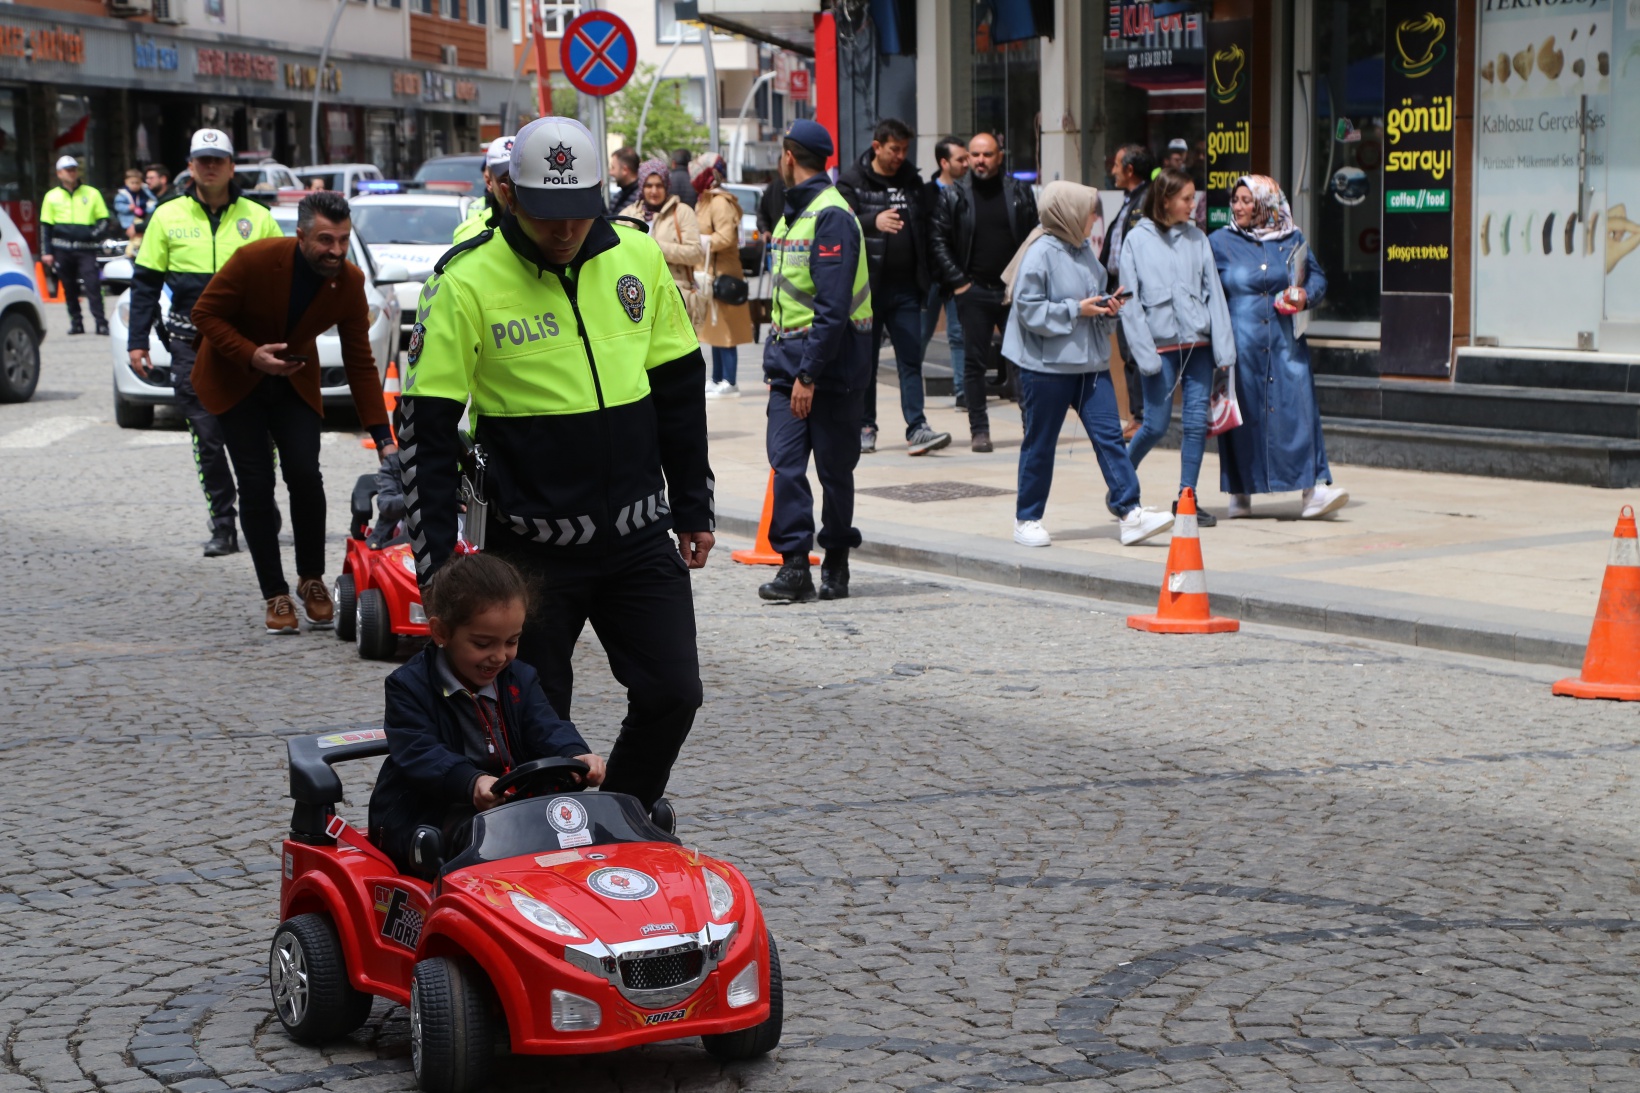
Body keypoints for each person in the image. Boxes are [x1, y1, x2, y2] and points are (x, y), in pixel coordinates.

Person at [398, 115, 713, 825]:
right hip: (529, 552)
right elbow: (424, 432)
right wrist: (437, 569)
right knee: (534, 719)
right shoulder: (465, 279)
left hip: (638, 534)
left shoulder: (637, 254)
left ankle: (622, 813)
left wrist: (693, 503)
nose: (565, 229)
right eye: (546, 213)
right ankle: (540, 843)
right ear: (509, 195)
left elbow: (678, 387)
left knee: (674, 692)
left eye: (579, 210)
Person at [189, 191, 393, 632]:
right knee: (256, 482)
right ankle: (275, 593)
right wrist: (251, 354)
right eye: (325, 240)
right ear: (301, 236)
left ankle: (311, 579)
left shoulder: (349, 281)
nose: (336, 250)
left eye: (343, 240)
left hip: (294, 379)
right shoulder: (255, 259)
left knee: (304, 474)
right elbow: (204, 314)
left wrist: (383, 437)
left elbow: (360, 362)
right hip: (235, 378)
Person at [367, 552, 607, 874]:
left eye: (512, 641)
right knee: (488, 839)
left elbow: (546, 726)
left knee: (582, 826)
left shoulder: (520, 678)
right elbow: (420, 752)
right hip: (430, 812)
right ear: (441, 632)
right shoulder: (408, 686)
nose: (499, 657)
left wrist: (575, 753)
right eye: (483, 644)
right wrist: (471, 781)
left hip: (510, 803)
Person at [129, 128, 282, 557]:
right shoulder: (166, 216)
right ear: (190, 166)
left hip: (249, 348)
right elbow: (145, 284)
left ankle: (260, 510)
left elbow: (280, 281)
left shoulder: (259, 216)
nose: (210, 167)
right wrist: (137, 341)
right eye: (203, 160)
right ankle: (223, 524)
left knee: (258, 438)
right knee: (208, 437)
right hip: (190, 346)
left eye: (218, 160)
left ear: (232, 167)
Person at [1001, 182, 1175, 549]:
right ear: (1067, 213)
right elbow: (1028, 309)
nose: (1095, 217)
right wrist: (1076, 309)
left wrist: (1108, 309)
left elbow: (1090, 304)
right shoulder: (1040, 252)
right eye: (1089, 211)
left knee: (1109, 437)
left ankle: (1130, 512)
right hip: (1046, 367)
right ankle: (1027, 518)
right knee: (1041, 443)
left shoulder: (1082, 250)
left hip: (1090, 364)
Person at [758, 120, 872, 603]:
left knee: (833, 472)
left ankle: (837, 560)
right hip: (789, 367)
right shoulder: (793, 214)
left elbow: (832, 307)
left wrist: (809, 374)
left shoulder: (832, 215)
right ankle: (794, 567)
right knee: (786, 466)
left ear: (788, 157)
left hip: (831, 369)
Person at [1211, 174, 1346, 520]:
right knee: (1245, 418)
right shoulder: (1219, 242)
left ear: (1266, 204)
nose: (1238, 207)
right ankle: (1240, 491)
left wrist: (1304, 295)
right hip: (1241, 346)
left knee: (1298, 410)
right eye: (1235, 200)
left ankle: (1313, 491)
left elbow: (1316, 277)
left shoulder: (1291, 237)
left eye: (1247, 200)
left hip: (1286, 343)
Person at [1120, 167, 1236, 526]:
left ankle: (1187, 497)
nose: (1193, 204)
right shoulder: (1136, 240)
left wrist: (1224, 350)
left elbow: (1215, 293)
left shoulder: (1198, 238)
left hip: (1199, 345)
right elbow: (1129, 302)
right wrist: (1144, 354)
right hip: (1159, 349)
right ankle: (1120, 484)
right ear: (1166, 199)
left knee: (1196, 424)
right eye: (1186, 198)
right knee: (1154, 425)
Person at [837, 118, 949, 458]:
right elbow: (838, 223)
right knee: (866, 362)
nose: (900, 156)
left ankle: (917, 427)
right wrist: (873, 221)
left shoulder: (912, 181)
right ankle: (864, 426)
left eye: (904, 150)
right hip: (867, 291)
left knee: (910, 359)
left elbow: (925, 228)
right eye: (894, 149)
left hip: (906, 290)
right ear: (877, 146)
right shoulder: (852, 181)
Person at [929, 131, 1038, 453]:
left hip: (1013, 291)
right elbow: (938, 240)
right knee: (974, 364)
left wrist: (1027, 281)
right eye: (974, 155)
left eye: (987, 154)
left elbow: (1035, 236)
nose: (979, 160)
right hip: (974, 290)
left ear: (999, 157)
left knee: (1023, 362)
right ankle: (979, 430)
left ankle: (1031, 427)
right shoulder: (954, 194)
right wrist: (960, 283)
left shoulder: (1019, 192)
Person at [1100, 144, 1157, 438]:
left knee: (1135, 353)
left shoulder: (1147, 200)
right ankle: (1138, 416)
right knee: (1127, 353)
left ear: (1130, 170)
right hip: (1122, 291)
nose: (1113, 171)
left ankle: (1142, 417)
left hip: (1136, 293)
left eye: (1116, 165)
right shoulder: (1130, 200)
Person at [692, 153, 753, 399]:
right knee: (714, 329)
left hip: (723, 275)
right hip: (709, 274)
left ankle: (730, 380)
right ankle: (717, 377)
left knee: (726, 329)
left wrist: (702, 241)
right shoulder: (705, 200)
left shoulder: (719, 202)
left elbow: (726, 237)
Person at [622, 157, 704, 326]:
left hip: (674, 296)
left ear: (667, 185)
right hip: (636, 299)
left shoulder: (682, 212)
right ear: (641, 186)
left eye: (659, 185)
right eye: (648, 185)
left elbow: (695, 253)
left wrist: (656, 247)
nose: (654, 191)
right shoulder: (628, 215)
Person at [39, 154, 112, 336]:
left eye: (74, 169)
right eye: (67, 170)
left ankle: (101, 322)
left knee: (93, 286)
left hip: (86, 249)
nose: (71, 173)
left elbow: (104, 220)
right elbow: (46, 227)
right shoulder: (51, 196)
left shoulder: (92, 193)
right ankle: (76, 323)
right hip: (62, 249)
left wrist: (92, 235)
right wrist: (47, 252)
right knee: (69, 288)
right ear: (59, 173)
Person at [921, 136, 969, 410]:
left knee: (958, 334)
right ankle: (911, 388)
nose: (967, 164)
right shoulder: (925, 194)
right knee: (920, 335)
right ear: (944, 162)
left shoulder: (968, 193)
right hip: (929, 278)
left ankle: (962, 391)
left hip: (958, 277)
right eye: (960, 159)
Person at [453, 134, 513, 244]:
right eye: (505, 180)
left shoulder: (546, 225)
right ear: (489, 182)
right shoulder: (467, 236)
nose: (514, 187)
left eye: (523, 177)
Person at [114, 169, 153, 238]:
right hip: (127, 221)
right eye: (132, 183)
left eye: (137, 183)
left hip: (142, 219)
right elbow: (118, 206)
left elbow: (151, 200)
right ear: (126, 182)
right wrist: (128, 207)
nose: (135, 185)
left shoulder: (144, 192)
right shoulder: (123, 194)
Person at [608, 146, 641, 218]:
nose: (610, 173)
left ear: (625, 170)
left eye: (613, 168)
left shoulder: (640, 201)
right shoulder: (618, 196)